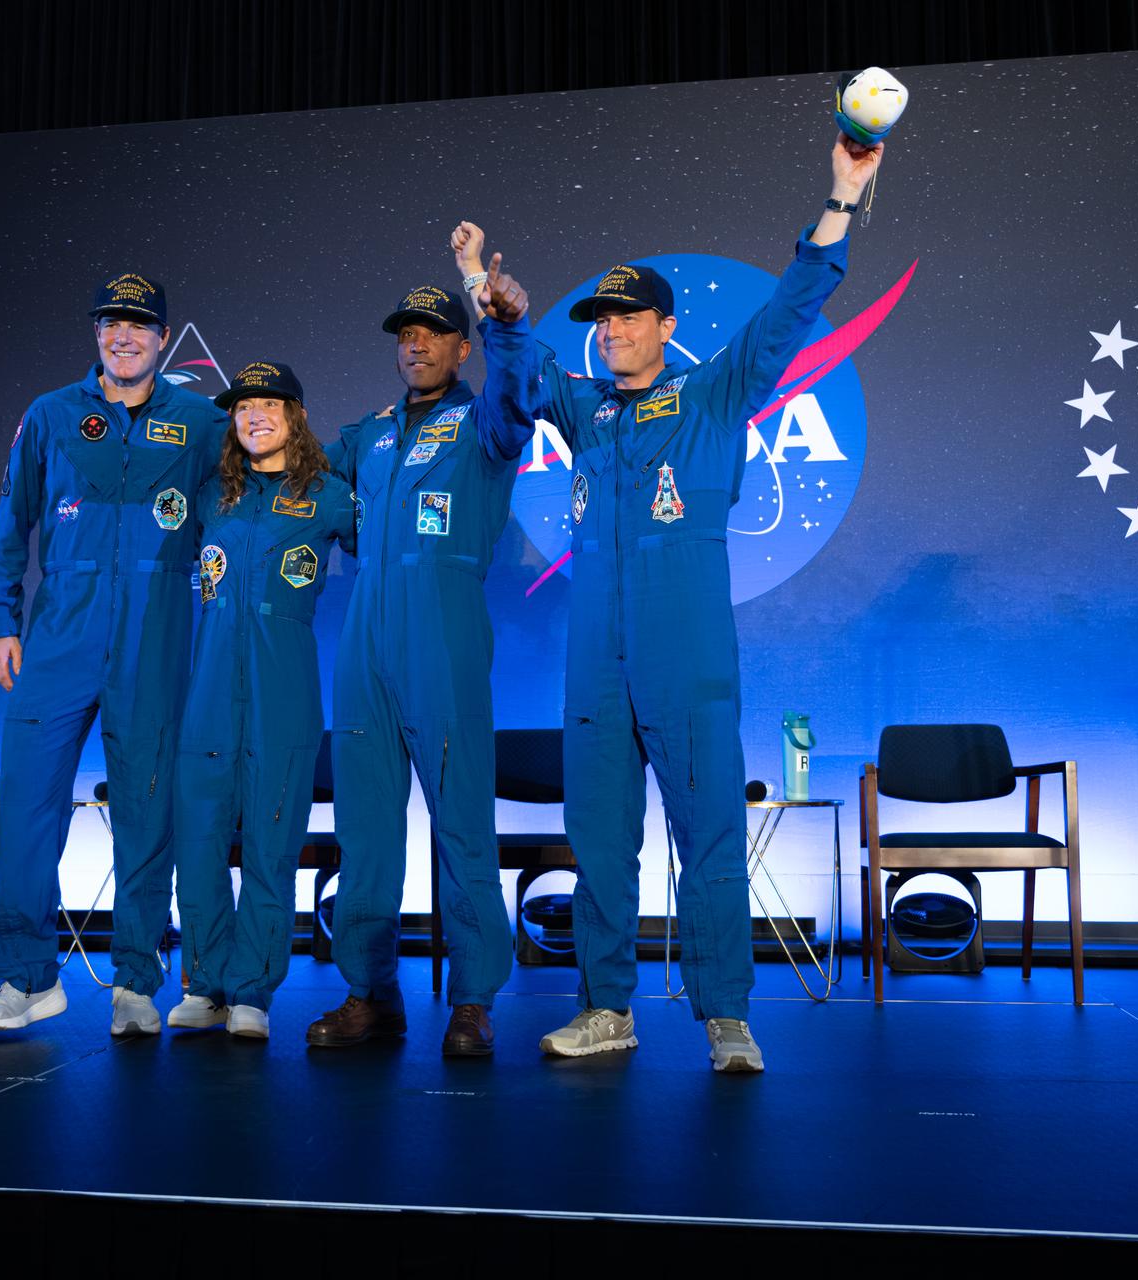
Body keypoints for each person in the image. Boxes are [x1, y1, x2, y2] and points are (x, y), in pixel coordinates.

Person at [475, 134, 886, 1072]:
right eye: (602, 321)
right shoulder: (586, 411)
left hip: (686, 653)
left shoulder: (711, 396)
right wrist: (497, 312)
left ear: (665, 326)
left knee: (709, 836)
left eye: (627, 318)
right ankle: (605, 1008)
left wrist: (841, 197)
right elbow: (527, 375)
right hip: (596, 660)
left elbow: (793, 307)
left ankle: (726, 1019)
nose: (611, 330)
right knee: (600, 842)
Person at [0, 273, 224, 1037]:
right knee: (25, 803)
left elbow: (228, 525)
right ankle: (25, 978)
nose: (124, 337)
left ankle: (137, 983)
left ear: (161, 338)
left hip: (157, 622)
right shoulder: (52, 415)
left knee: (146, 809)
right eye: (112, 324)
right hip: (61, 629)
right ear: (96, 334)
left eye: (140, 326)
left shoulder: (200, 420)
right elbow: (10, 526)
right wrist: (0, 621)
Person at [306, 235, 534, 1056]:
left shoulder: (486, 422)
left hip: (442, 638)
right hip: (365, 641)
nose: (415, 342)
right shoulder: (364, 436)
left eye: (433, 331)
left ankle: (473, 1000)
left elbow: (517, 384)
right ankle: (371, 992)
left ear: (459, 345)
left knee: (462, 824)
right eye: (405, 331)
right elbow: (297, 486)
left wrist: (500, 316)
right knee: (365, 829)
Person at [166, 362, 355, 1040]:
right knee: (202, 839)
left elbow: (384, 561)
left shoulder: (329, 496)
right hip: (211, 687)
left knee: (273, 843)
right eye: (243, 407)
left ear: (296, 415)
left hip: (284, 687)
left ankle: (253, 990)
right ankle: (207, 982)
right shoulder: (211, 494)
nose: (254, 416)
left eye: (269, 404)